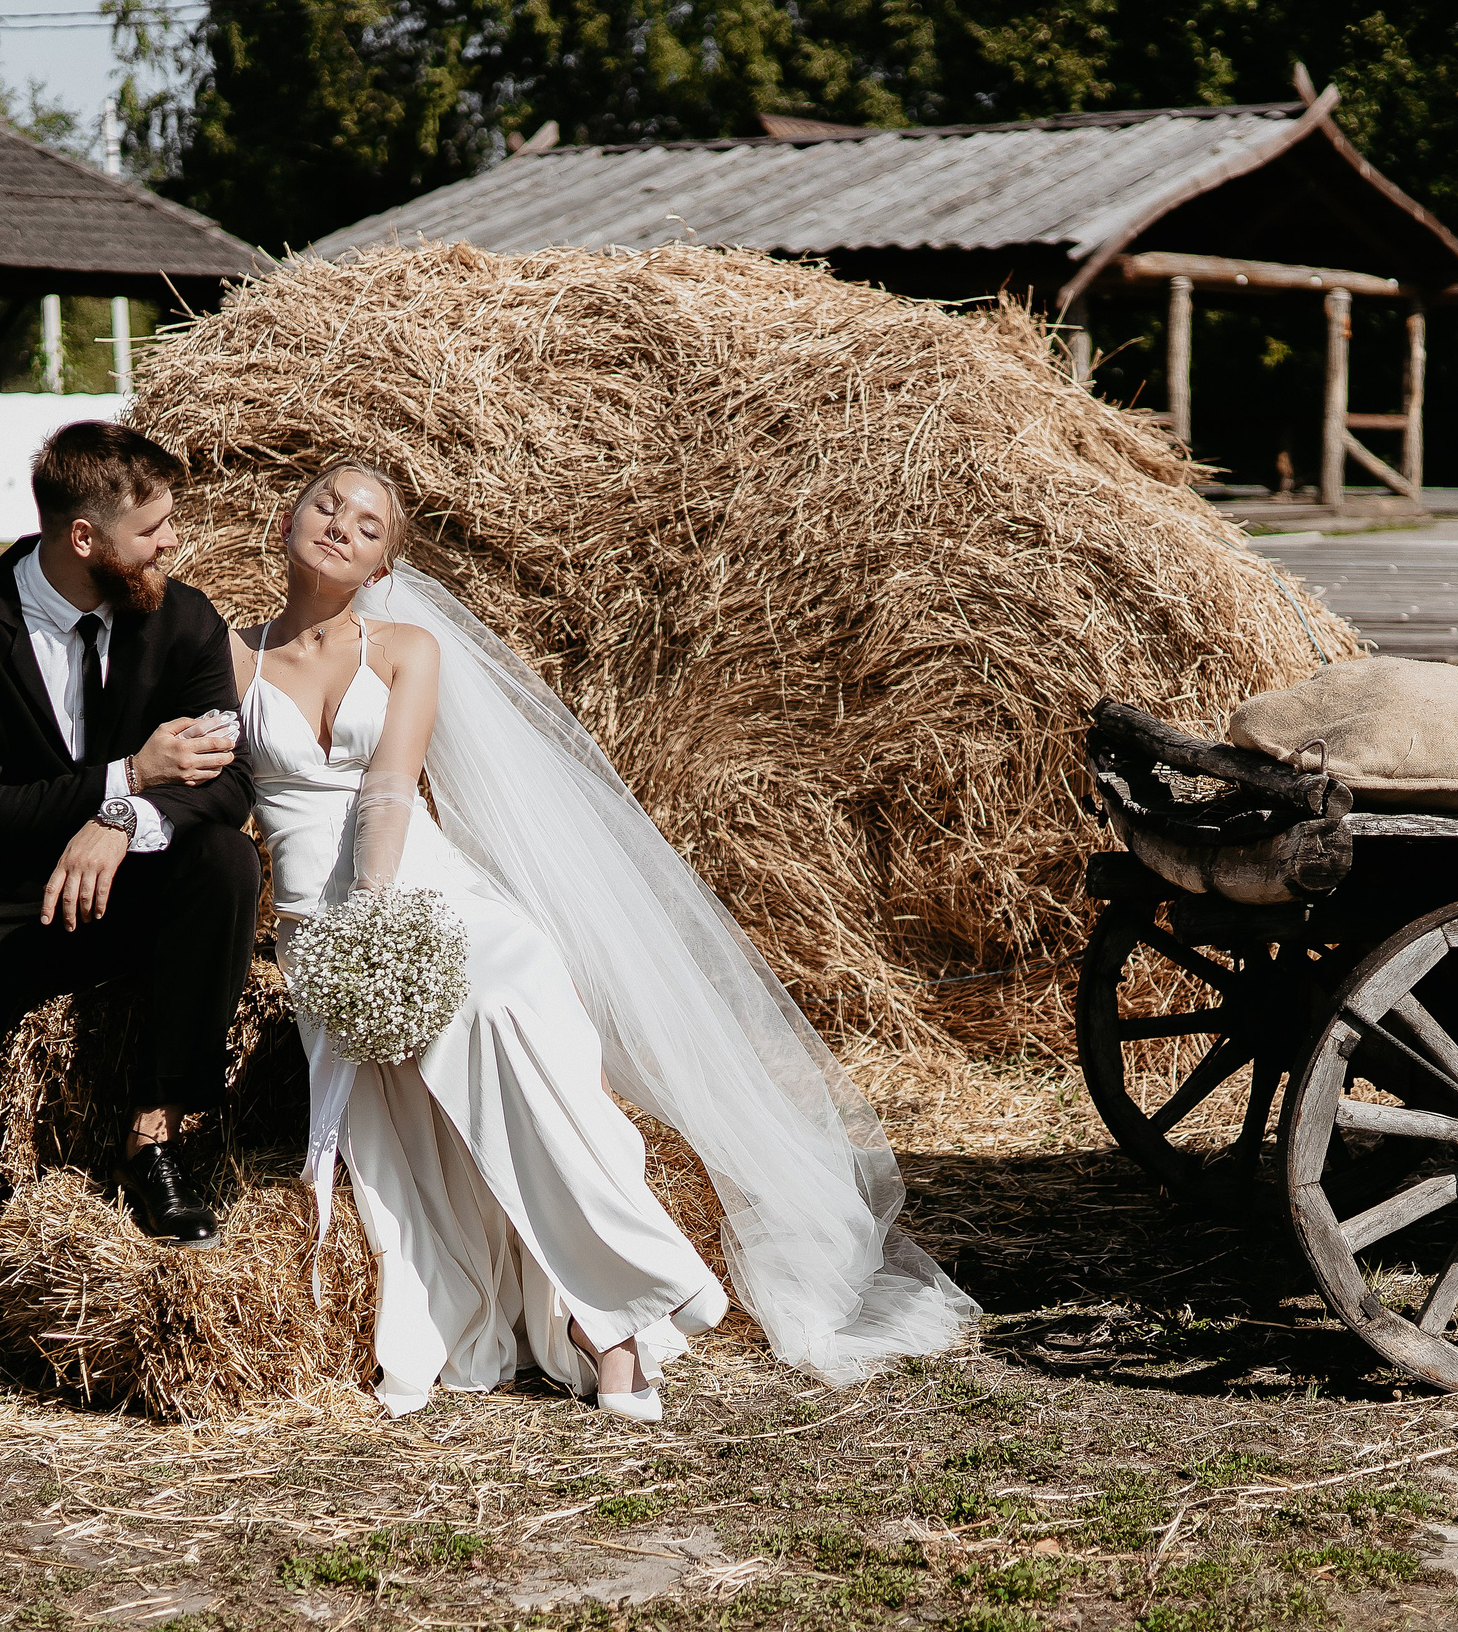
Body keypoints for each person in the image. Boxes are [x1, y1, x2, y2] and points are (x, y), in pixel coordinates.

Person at [237, 462, 977, 1421]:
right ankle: (607, 1310)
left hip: (419, 901)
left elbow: (388, 789)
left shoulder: (409, 648)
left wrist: (379, 912)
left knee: (503, 999)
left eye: (368, 524)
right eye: (327, 503)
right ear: (288, 515)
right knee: (440, 1079)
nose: (340, 524)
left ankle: (613, 1319)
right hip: (321, 935)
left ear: (386, 562)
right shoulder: (226, 652)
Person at [0, 421, 260, 1459]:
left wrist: (119, 823)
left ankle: (159, 1138)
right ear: (85, 536)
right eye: (154, 528)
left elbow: (230, 787)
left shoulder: (183, 621)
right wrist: (126, 775)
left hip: (134, 883)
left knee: (223, 866)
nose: (171, 545)